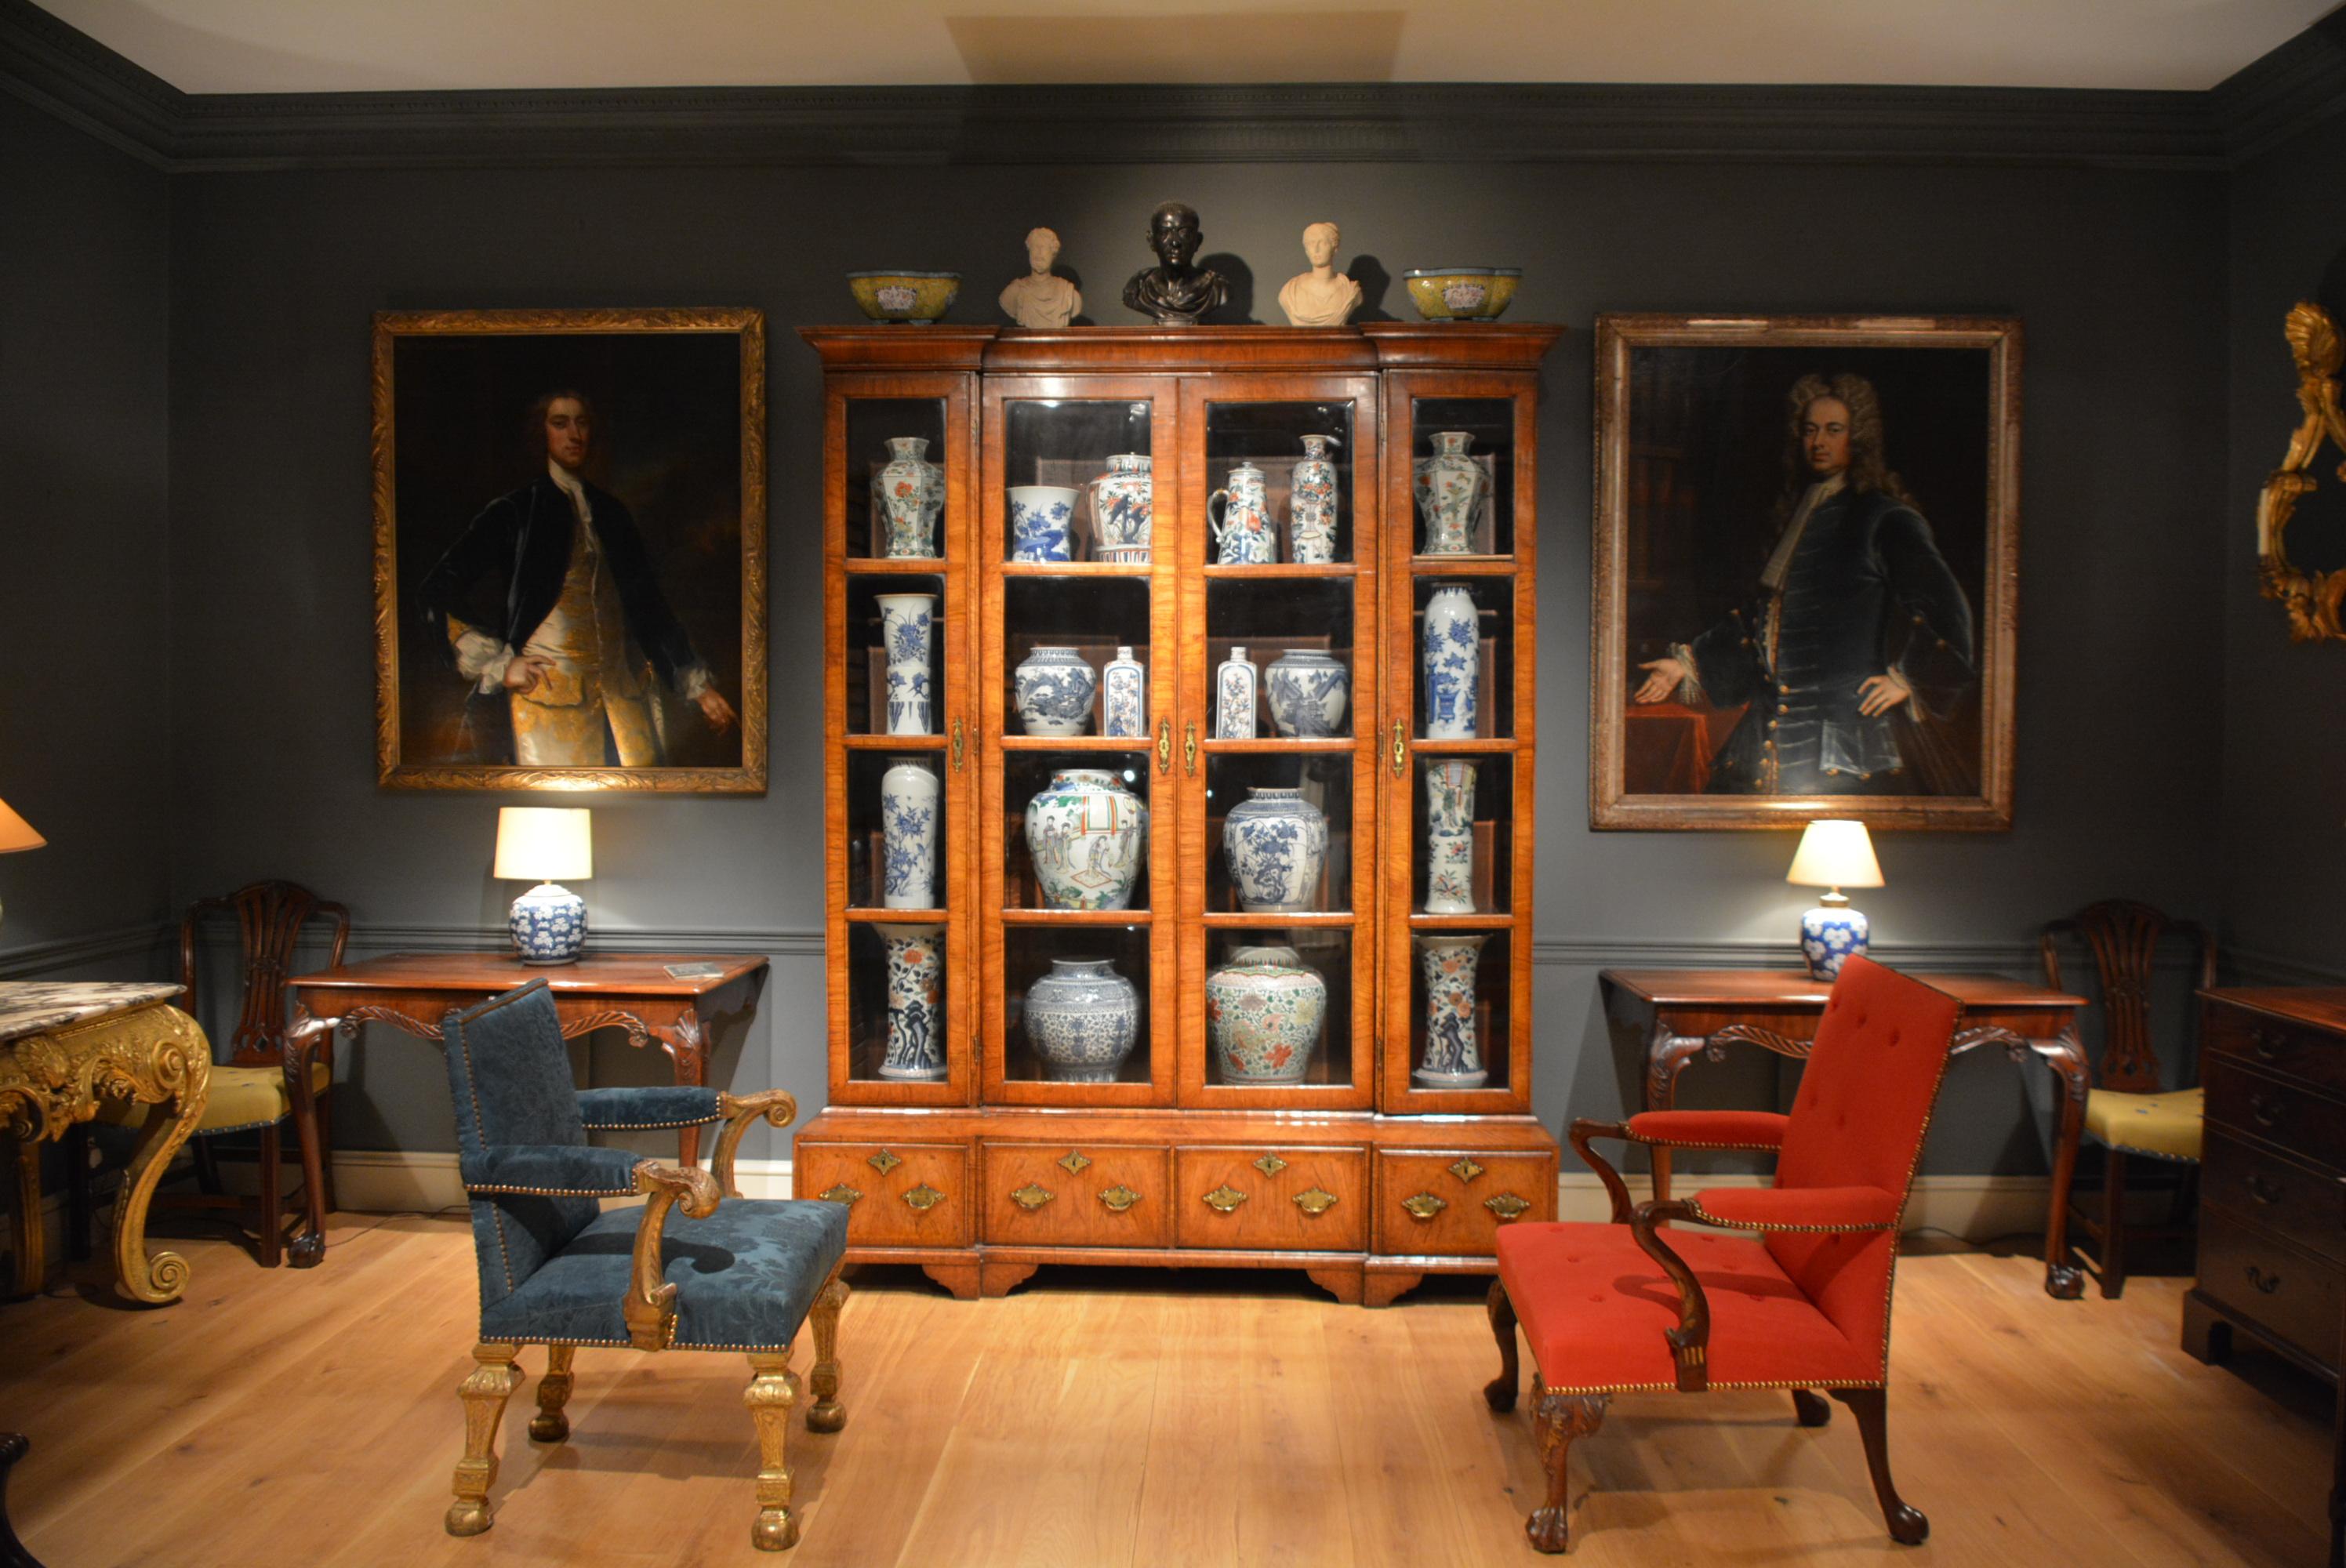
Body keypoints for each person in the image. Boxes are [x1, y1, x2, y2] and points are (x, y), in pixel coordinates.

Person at [1631, 372, 1974, 795]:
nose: (1819, 442)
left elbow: (1947, 608)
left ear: (1858, 437)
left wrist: (1907, 677)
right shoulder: (1802, 510)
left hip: (1845, 740)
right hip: (1771, 728)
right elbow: (1766, 618)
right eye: (1810, 430)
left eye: (1834, 430)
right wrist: (1686, 663)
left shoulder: (1883, 517)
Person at [417, 390, 738, 768]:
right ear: (542, 434)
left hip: (622, 707)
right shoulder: (516, 511)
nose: (574, 434)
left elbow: (649, 606)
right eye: (560, 423)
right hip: (547, 705)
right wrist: (502, 665)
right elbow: (436, 590)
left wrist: (698, 688)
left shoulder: (612, 513)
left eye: (582, 423)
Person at [1121, 201, 1227, 325]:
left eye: (1185, 233)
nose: (1175, 242)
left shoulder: (1216, 288)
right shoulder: (1138, 287)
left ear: (1198, 241)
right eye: (1164, 232)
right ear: (1151, 240)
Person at [1277, 220, 1362, 328]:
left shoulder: (1349, 292)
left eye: (1323, 243)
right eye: (1311, 243)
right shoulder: (1290, 292)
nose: (1316, 249)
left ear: (1334, 248)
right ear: (1306, 250)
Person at [998, 227, 1081, 328]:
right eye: (1035, 247)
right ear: (1029, 251)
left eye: (1044, 247)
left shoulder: (1069, 294)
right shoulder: (1014, 292)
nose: (1039, 252)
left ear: (1053, 253)